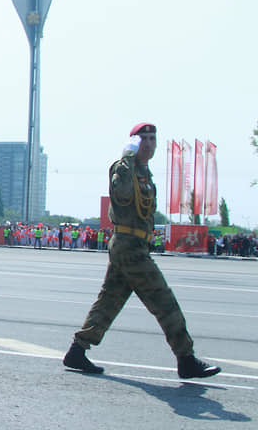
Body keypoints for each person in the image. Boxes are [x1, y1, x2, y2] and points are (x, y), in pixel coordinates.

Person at [63, 122, 221, 379]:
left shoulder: (145, 174)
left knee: (110, 301)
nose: (148, 144)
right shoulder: (123, 169)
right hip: (129, 247)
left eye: (152, 139)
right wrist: (126, 158)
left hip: (133, 246)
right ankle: (186, 358)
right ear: (133, 143)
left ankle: (77, 351)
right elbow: (122, 195)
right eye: (142, 139)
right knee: (164, 300)